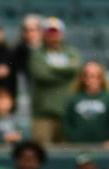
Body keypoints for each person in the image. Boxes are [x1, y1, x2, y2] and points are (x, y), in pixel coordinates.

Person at [28, 17, 81, 145]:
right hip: (43, 115)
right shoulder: (37, 54)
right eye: (49, 32)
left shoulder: (71, 52)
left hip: (68, 115)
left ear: (61, 33)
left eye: (55, 32)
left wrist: (51, 68)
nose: (52, 35)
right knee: (42, 150)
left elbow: (76, 68)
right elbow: (41, 74)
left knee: (67, 152)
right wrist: (66, 73)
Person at [63, 62, 109, 144]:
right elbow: (67, 122)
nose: (93, 80)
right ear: (83, 78)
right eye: (90, 76)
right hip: (77, 145)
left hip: (103, 145)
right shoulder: (73, 99)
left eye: (97, 76)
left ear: (102, 78)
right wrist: (73, 138)